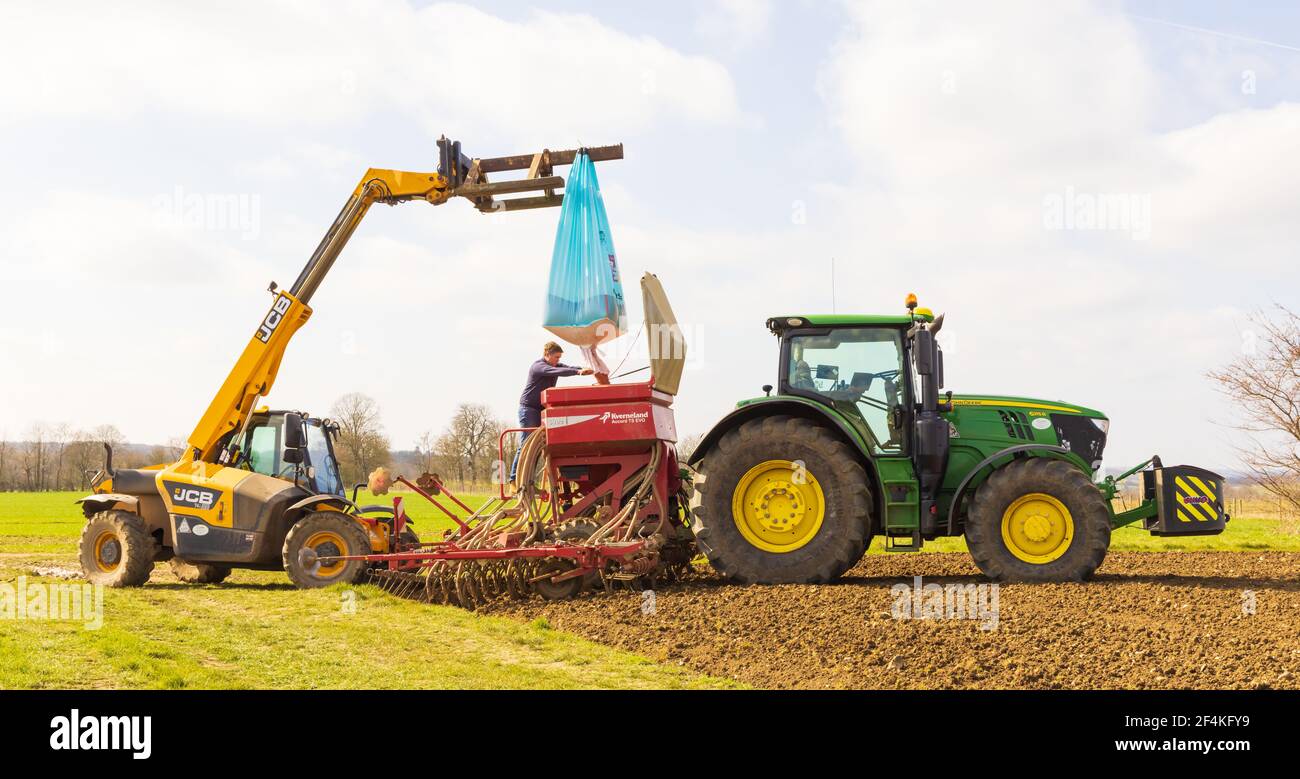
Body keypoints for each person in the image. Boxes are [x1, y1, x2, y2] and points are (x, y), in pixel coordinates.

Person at [509, 342, 593, 482]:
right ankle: (514, 480)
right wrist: (578, 372)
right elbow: (559, 371)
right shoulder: (539, 367)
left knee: (536, 448)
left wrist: (583, 369)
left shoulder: (555, 365)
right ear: (547, 354)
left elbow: (567, 368)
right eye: (556, 357)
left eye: (559, 358)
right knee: (527, 444)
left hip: (541, 409)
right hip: (529, 409)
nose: (558, 361)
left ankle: (527, 482)